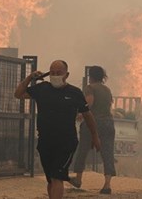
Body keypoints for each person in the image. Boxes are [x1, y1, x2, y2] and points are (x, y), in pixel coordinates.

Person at [14, 60, 101, 199]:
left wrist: (95, 136)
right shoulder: (42, 89)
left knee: (57, 177)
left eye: (58, 73)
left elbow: (87, 115)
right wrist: (30, 77)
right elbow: (18, 94)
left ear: (66, 75)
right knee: (51, 179)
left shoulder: (74, 92)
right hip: (45, 141)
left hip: (66, 142)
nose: (55, 76)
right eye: (52, 73)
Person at [69, 66, 116, 194]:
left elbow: (89, 102)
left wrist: (81, 114)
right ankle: (107, 185)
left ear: (91, 76)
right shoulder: (107, 89)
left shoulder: (90, 88)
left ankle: (78, 179)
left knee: (82, 150)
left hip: (93, 123)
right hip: (108, 123)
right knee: (107, 153)